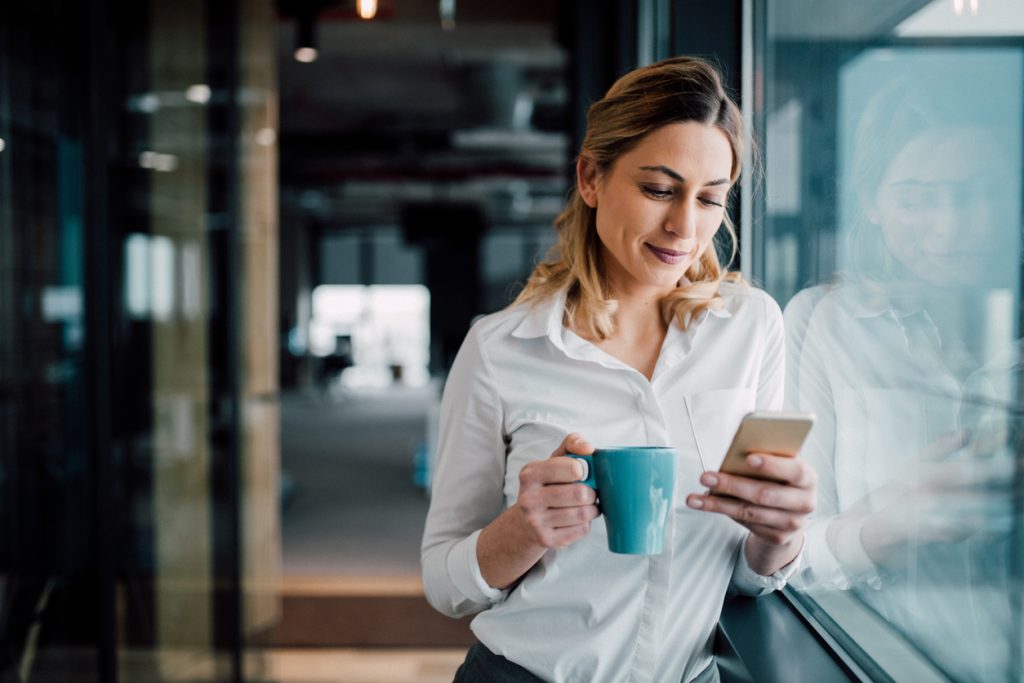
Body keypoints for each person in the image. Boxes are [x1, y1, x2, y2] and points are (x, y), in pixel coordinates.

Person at [421, 56, 816, 683]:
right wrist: (524, 531)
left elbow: (745, 572)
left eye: (710, 199)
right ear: (590, 179)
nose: (685, 227)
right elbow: (446, 584)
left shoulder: (752, 327)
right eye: (659, 189)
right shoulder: (500, 350)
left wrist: (780, 534)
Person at [784, 66, 1018, 682]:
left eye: (979, 193)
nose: (951, 227)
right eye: (917, 198)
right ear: (874, 205)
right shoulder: (821, 325)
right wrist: (895, 524)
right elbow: (781, 553)